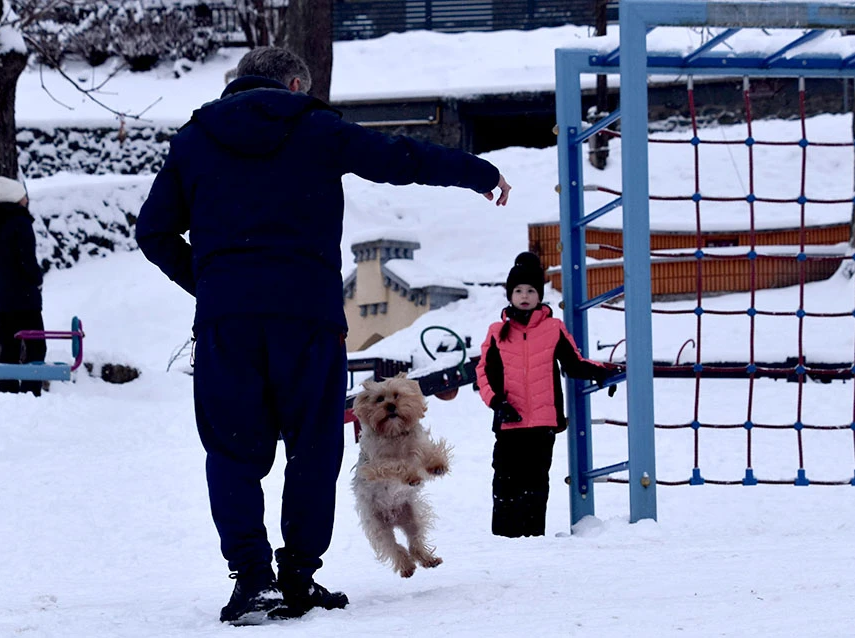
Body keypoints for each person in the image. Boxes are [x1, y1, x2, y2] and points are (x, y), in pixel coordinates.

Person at [136, 46, 511, 625]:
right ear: (293, 82)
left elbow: (153, 232)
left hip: (226, 325)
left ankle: (251, 578)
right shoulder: (315, 128)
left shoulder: (194, 140)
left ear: (239, 82)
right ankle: (298, 574)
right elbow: (401, 157)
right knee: (314, 447)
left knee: (233, 451)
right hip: (307, 320)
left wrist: (213, 286)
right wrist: (475, 171)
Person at [475, 251, 617, 538]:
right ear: (509, 295)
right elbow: (483, 372)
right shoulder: (497, 331)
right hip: (509, 421)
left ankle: (532, 538)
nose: (524, 296)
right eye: (518, 290)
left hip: (542, 424)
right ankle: (503, 540)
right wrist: (496, 403)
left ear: (539, 294)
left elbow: (574, 363)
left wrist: (603, 370)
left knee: (536, 483)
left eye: (530, 290)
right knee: (504, 482)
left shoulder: (554, 328)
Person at [0, 176, 46, 397]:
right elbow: (27, 259)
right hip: (23, 295)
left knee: (10, 345)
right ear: (18, 197)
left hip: (2, 295)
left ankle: (8, 393)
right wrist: (37, 278)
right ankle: (30, 392)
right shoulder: (20, 222)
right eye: (24, 195)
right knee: (36, 345)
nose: (27, 199)